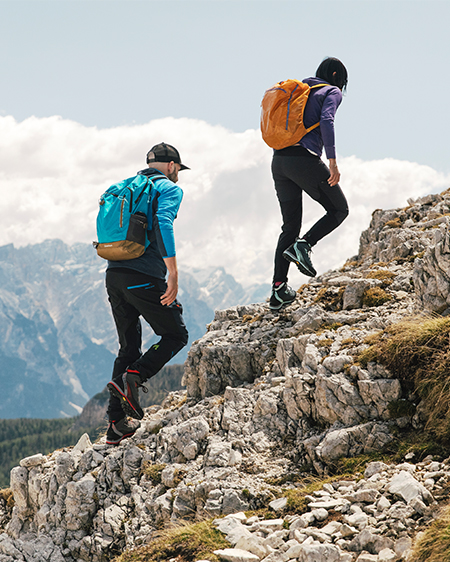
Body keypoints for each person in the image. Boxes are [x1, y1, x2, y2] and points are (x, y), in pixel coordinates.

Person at [105, 142, 189, 445]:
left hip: (113, 273)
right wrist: (173, 272)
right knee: (176, 335)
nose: (178, 173)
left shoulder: (125, 186)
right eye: (178, 168)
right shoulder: (168, 189)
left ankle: (116, 424)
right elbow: (162, 223)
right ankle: (136, 375)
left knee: (127, 347)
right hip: (143, 275)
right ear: (171, 165)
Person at [269, 57, 349, 311]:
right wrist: (333, 161)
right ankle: (305, 245)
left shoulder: (301, 90)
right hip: (304, 161)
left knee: (290, 226)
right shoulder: (331, 91)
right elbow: (327, 120)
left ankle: (278, 290)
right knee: (339, 209)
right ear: (336, 75)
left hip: (279, 162)